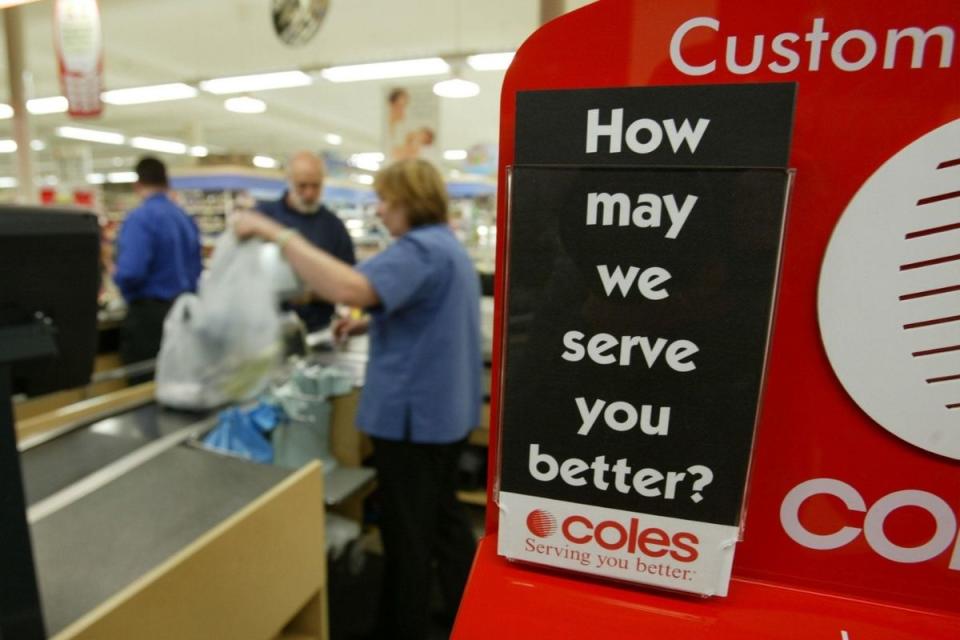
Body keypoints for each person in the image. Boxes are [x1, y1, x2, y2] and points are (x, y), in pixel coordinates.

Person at [235, 158, 481, 639]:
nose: (380, 209)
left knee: (407, 537)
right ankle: (464, 613)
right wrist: (369, 320)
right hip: (446, 415)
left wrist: (275, 232)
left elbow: (347, 285)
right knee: (445, 519)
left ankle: (401, 627)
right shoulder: (445, 247)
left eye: (386, 199)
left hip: (415, 420)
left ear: (410, 201)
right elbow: (420, 308)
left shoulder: (418, 249)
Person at [113, 156, 202, 378]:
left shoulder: (140, 218)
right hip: (185, 313)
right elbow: (197, 269)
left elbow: (131, 271)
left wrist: (116, 274)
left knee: (146, 391)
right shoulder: (184, 218)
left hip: (150, 322)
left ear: (137, 185)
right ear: (167, 183)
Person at [257, 150, 355, 331]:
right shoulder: (262, 217)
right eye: (302, 186)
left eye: (316, 186)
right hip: (264, 327)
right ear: (289, 180)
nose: (309, 193)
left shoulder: (334, 227)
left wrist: (311, 294)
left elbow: (349, 283)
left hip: (317, 327)